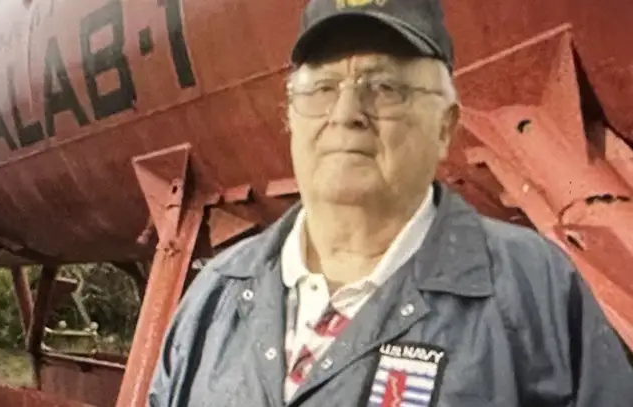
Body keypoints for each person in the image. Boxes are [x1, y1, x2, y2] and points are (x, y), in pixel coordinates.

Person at [148, 0, 633, 405]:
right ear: (291, 118)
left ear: (445, 125)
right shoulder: (216, 295)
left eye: (384, 88)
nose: (346, 114)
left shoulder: (533, 289)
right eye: (320, 88)